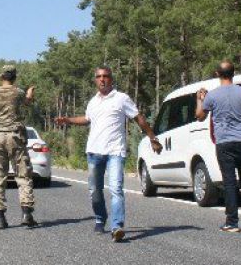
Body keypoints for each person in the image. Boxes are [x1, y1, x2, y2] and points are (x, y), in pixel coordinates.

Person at [55, 66, 162, 242]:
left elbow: (138, 118)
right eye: (99, 77)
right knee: (94, 190)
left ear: (111, 79)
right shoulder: (93, 101)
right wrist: (68, 120)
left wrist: (152, 137)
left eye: (105, 76)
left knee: (116, 189)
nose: (102, 79)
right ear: (95, 80)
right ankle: (100, 218)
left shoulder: (121, 99)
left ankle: (117, 226)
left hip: (115, 152)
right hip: (94, 152)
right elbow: (86, 119)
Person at [195, 60, 241, 233]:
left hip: (225, 143)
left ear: (217, 74)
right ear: (233, 73)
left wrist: (199, 99)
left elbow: (200, 116)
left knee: (229, 182)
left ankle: (232, 222)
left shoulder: (212, 96)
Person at [0, 65, 37, 229]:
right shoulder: (18, 92)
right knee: (23, 174)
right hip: (15, 136)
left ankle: (0, 217)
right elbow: (28, 102)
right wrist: (30, 92)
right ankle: (26, 213)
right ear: (14, 77)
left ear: (1, 77)